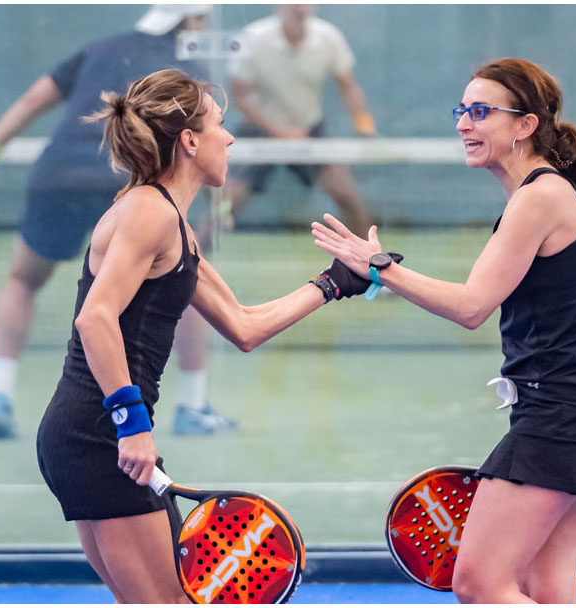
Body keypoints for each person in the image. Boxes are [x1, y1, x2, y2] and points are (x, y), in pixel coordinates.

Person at [36, 68, 370, 603]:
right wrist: (131, 423)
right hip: (99, 434)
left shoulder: (171, 222)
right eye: (219, 124)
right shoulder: (149, 213)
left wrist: (333, 283)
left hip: (89, 433)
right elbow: (95, 318)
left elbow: (243, 325)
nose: (230, 138)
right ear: (190, 141)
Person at [312, 58, 576, 604]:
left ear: (525, 125)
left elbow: (471, 306)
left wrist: (379, 267)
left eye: (481, 112)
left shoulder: (539, 197)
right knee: (544, 590)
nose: (463, 123)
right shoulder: (548, 195)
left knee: (480, 583)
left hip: (561, 421)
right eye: (462, 110)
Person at [0, 4, 234, 439]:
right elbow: (195, 150)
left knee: (22, 280)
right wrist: (222, 210)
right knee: (186, 282)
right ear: (190, 22)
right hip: (130, 179)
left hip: (58, 174)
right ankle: (191, 404)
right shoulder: (189, 76)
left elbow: (32, 100)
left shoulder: (100, 47)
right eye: (202, 21)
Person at [220, 4, 376, 242]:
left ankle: (371, 257)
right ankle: (194, 255)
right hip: (260, 131)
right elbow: (241, 98)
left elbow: (348, 86)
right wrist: (279, 131)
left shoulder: (328, 37)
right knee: (226, 203)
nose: (300, 5)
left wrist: (363, 123)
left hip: (309, 129)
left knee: (346, 195)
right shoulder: (253, 38)